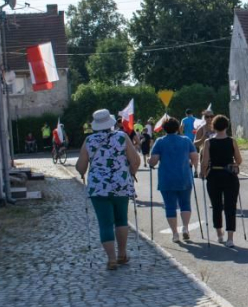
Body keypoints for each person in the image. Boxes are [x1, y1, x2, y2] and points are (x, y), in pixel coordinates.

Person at [76, 109, 140, 270]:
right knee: (121, 220)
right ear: (110, 123)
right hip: (121, 184)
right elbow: (136, 160)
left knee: (105, 223)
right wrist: (131, 172)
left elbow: (80, 167)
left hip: (99, 189)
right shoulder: (122, 137)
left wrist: (82, 171)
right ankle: (122, 254)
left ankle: (111, 259)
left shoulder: (89, 141)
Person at [149, 117, 198, 243]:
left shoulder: (160, 142)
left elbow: (153, 161)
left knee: (170, 206)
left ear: (163, 129)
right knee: (185, 204)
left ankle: (175, 233)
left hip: (166, 179)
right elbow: (194, 156)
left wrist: (150, 161)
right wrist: (193, 166)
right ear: (178, 128)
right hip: (184, 176)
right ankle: (185, 228)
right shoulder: (186, 140)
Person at [200, 115, 243, 247]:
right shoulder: (232, 141)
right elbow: (239, 160)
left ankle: (219, 234)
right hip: (230, 175)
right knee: (230, 206)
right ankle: (230, 238)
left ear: (213, 126)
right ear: (226, 126)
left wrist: (202, 172)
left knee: (216, 205)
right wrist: (234, 164)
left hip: (214, 175)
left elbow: (205, 161)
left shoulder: (208, 142)